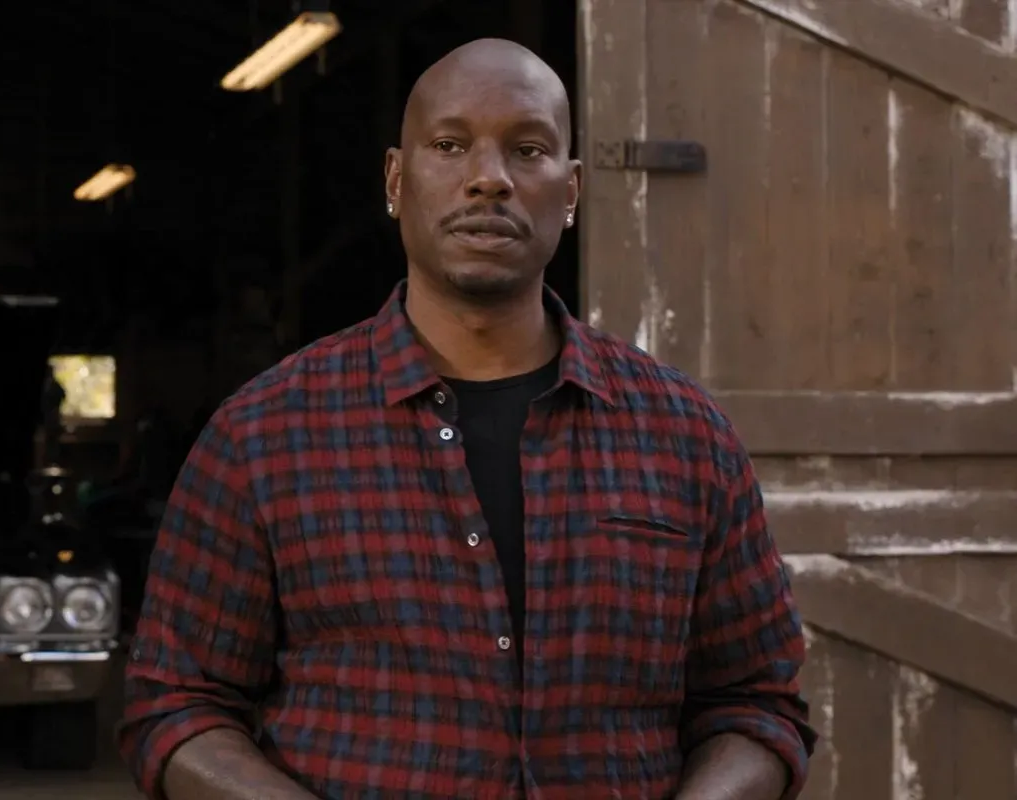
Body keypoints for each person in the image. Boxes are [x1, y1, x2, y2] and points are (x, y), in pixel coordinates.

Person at [118, 38, 814, 800]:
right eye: (450, 145)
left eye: (528, 149)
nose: (489, 178)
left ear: (572, 191)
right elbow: (176, 704)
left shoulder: (684, 435)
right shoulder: (264, 436)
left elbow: (756, 701)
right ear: (396, 179)